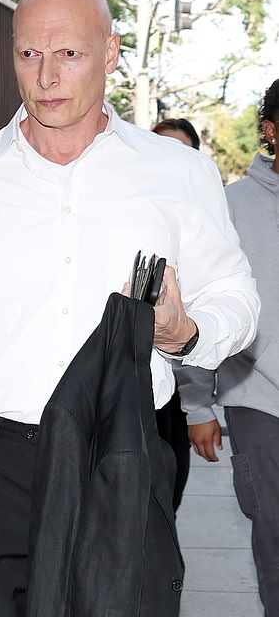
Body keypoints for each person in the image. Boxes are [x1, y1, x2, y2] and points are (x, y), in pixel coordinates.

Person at [0, 0, 260, 616]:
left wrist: (185, 332)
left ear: (110, 51)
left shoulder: (178, 173)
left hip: (122, 456)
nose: (45, 75)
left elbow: (236, 297)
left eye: (68, 53)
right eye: (28, 53)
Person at [177, 78, 279, 617]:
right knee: (275, 537)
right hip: (258, 401)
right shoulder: (232, 207)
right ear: (270, 130)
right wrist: (197, 405)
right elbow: (197, 309)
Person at [151, 116, 201, 511]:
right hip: (125, 390)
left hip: (179, 395)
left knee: (166, 503)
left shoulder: (205, 227)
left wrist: (201, 406)